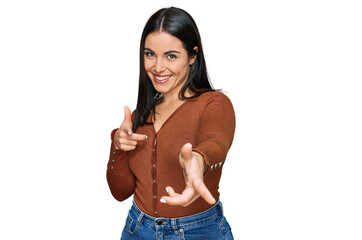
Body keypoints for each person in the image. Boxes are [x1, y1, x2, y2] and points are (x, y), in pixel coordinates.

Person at [106, 6, 236, 240]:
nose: (157, 67)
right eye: (150, 54)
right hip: (137, 229)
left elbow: (215, 141)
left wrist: (198, 161)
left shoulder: (213, 103)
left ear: (193, 56)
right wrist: (117, 145)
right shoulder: (138, 117)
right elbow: (120, 192)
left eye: (171, 56)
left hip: (199, 232)